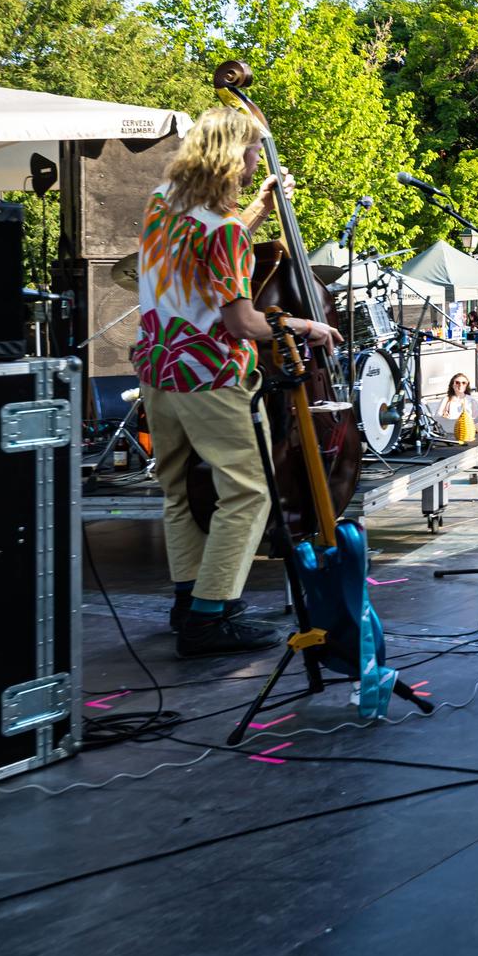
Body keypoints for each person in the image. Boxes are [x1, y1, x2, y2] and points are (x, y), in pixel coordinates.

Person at [132, 106, 339, 656]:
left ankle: (189, 600)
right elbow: (242, 322)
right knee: (247, 493)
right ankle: (209, 617)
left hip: (158, 369)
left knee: (177, 491)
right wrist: (306, 324)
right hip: (209, 376)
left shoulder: (163, 203)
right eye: (251, 151)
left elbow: (209, 251)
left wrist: (259, 209)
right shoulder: (220, 229)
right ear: (230, 155)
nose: (255, 161)